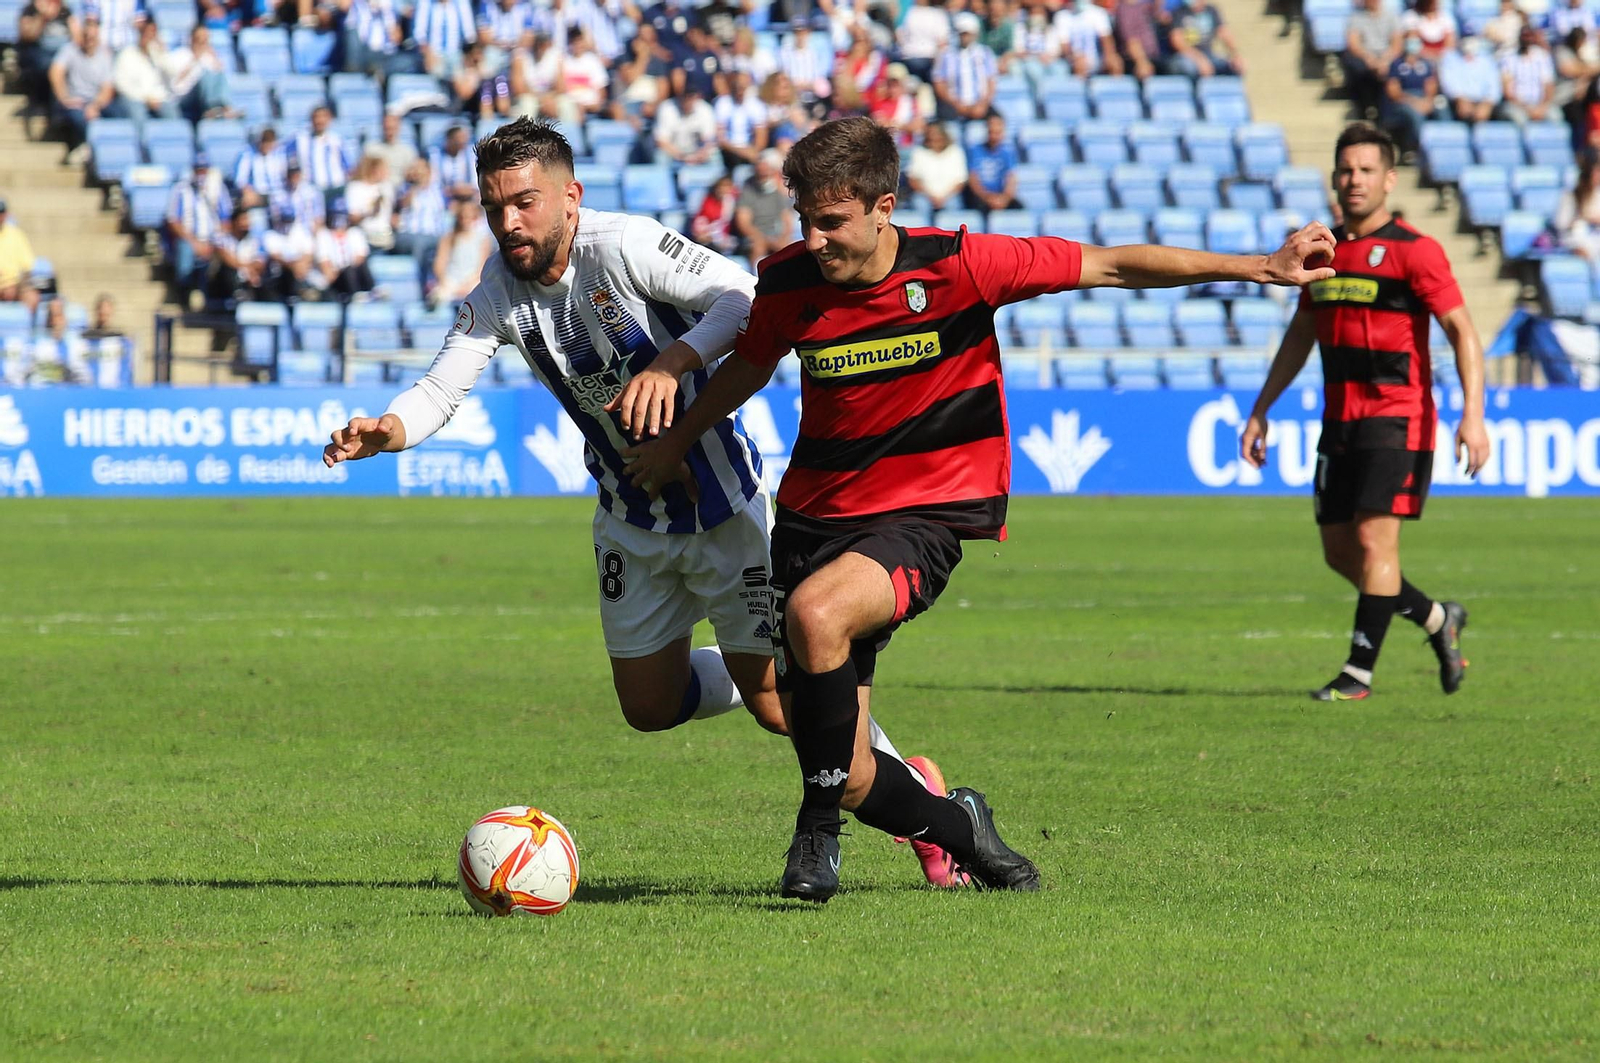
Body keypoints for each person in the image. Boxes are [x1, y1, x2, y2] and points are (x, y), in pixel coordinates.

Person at [620, 115, 1338, 901]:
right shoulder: (790, 281)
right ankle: (963, 828)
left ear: (883, 205)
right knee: (854, 768)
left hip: (922, 517)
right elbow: (749, 367)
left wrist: (1260, 266)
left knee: (818, 616)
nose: (816, 238)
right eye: (806, 221)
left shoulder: (962, 264)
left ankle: (812, 838)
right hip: (811, 522)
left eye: (832, 221)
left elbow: (1111, 266)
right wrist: (678, 438)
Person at [322, 118, 960, 891]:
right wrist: (385, 430)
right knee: (648, 707)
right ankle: (765, 667)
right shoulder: (498, 291)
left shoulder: (622, 245)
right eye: (495, 207)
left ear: (570, 196)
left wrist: (677, 359)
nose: (509, 221)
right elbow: (437, 389)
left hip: (725, 512)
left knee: (775, 703)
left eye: (524, 202)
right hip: (630, 521)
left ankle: (921, 804)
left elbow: (739, 295)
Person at [1240, 123, 1489, 703]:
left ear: (1389, 180)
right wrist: (1261, 410)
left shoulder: (1415, 251)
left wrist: (1472, 414)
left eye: (1366, 170)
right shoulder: (1321, 253)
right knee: (1339, 552)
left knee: (1378, 545)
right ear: (1333, 178)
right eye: (1346, 170)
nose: (1354, 180)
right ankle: (1434, 618)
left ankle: (1357, 675)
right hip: (1340, 422)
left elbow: (1461, 330)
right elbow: (1301, 334)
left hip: (1398, 417)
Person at [48, 13, 122, 164]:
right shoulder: (70, 49)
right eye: (86, 35)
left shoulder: (105, 54)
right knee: (78, 117)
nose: (89, 40)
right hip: (76, 101)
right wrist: (64, 97)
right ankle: (92, 151)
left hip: (96, 101)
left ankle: (97, 151)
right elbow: (55, 72)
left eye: (92, 36)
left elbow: (107, 88)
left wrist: (95, 105)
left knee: (120, 114)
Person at [734, 148, 795, 266]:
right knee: (758, 247)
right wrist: (763, 238)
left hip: (775, 233)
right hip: (756, 235)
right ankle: (756, 279)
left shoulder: (778, 193)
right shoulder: (747, 192)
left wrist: (784, 236)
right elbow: (743, 223)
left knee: (789, 247)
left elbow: (787, 219)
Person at [933, 11, 998, 122]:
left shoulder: (985, 53)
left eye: (968, 34)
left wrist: (982, 104)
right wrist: (956, 104)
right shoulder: (946, 54)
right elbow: (939, 83)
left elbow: (991, 81)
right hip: (953, 105)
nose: (965, 37)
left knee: (996, 121)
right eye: (962, 33)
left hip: (979, 105)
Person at [1344, 0, 1403, 120]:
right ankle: (1363, 108)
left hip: (1387, 57)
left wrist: (1385, 61)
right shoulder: (1356, 17)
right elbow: (1353, 44)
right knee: (1355, 66)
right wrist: (1370, 59)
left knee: (1394, 70)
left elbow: (1397, 43)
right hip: (1366, 57)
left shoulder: (1391, 16)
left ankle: (1386, 116)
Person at [429, 200, 495, 303]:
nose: (465, 220)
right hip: (450, 281)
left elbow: (482, 267)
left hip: (473, 282)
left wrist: (467, 285)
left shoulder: (483, 240)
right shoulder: (448, 238)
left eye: (469, 217)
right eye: (463, 217)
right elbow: (439, 264)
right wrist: (445, 282)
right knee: (437, 296)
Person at [1382, 37, 1438, 155]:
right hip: (1403, 101)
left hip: (1423, 98)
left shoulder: (1425, 64)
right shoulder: (1397, 64)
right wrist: (1414, 102)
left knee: (1441, 107)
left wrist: (1427, 101)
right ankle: (1421, 149)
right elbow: (1394, 92)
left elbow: (1431, 86)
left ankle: (1444, 143)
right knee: (1415, 114)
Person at [1167, 0, 1244, 77]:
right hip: (1186, 57)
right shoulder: (1180, 13)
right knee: (1188, 68)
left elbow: (1224, 33)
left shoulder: (1212, 11)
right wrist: (1199, 59)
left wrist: (1235, 55)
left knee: (1234, 67)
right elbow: (1177, 41)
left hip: (1209, 55)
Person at [906, 121, 968, 211]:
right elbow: (913, 179)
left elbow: (961, 181)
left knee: (953, 205)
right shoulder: (919, 152)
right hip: (925, 196)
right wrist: (930, 196)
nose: (933, 138)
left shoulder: (955, 151)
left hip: (950, 196)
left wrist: (944, 197)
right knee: (919, 203)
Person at [1439, 36, 1503, 122]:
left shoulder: (1487, 59)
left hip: (1484, 103)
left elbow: (1494, 87)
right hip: (1458, 102)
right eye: (1466, 38)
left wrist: (1488, 104)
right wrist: (1460, 99)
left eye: (1471, 39)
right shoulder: (1450, 57)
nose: (1469, 42)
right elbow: (1449, 84)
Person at [1499, 25, 1556, 123]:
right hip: (1517, 105)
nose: (1527, 39)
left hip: (1539, 104)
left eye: (1529, 36)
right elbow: (1508, 91)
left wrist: (1541, 107)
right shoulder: (1509, 58)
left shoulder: (1542, 57)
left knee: (1555, 117)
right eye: (1524, 36)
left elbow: (1548, 86)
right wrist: (1527, 108)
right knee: (1520, 119)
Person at [965, 112, 1020, 212]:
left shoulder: (1007, 152)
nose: (994, 136)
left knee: (1018, 207)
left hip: (1001, 195)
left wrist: (1005, 198)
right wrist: (987, 197)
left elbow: (1011, 178)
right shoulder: (975, 151)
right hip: (982, 197)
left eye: (997, 132)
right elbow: (973, 178)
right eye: (991, 132)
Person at [0, 201, 40, 314]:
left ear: (6, 214)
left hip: (15, 285)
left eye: (1, 213)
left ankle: (27, 330)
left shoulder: (16, 235)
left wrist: (17, 286)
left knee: (32, 298)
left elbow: (27, 267)